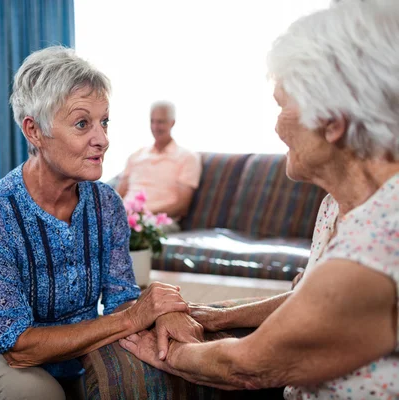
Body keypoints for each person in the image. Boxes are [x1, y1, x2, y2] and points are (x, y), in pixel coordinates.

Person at [119, 0, 399, 398]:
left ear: (333, 122)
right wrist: (217, 315)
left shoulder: (380, 243)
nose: (277, 125)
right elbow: (308, 300)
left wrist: (166, 353)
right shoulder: (334, 206)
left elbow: (248, 365)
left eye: (283, 105)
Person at [0, 46, 194, 400]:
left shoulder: (106, 203)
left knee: (151, 371)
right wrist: (131, 320)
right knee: (38, 395)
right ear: (34, 131)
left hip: (74, 348)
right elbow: (19, 346)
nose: (102, 139)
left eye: (104, 122)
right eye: (82, 123)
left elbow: (121, 297)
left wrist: (160, 312)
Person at [116, 101, 201, 231]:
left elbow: (182, 207)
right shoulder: (136, 156)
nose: (155, 127)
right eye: (152, 121)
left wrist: (142, 215)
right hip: (125, 218)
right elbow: (118, 194)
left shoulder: (187, 157)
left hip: (158, 222)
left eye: (161, 122)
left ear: (172, 123)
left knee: (124, 233)